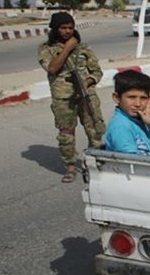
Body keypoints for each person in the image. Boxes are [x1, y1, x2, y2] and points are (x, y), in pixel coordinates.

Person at [38, 12, 105, 183]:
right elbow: (52, 68)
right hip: (63, 98)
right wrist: (67, 48)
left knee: (95, 129)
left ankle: (94, 162)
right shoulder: (46, 49)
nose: (68, 31)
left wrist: (87, 82)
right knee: (66, 133)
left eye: (70, 28)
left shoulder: (83, 48)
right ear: (55, 29)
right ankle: (70, 166)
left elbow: (97, 72)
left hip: (86, 95)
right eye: (63, 28)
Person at [103, 70, 150, 156]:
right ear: (117, 98)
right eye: (131, 97)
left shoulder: (138, 120)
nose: (138, 104)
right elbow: (130, 162)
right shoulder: (121, 126)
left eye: (143, 98)